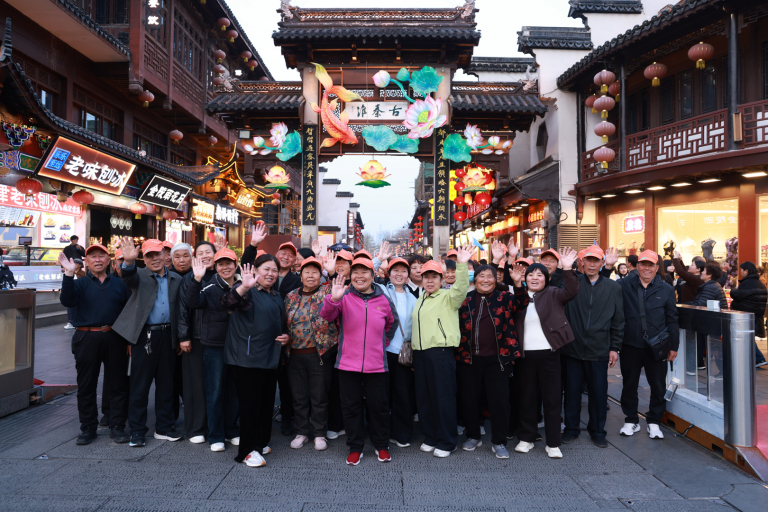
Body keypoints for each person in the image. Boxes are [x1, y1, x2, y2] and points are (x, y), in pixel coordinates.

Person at [320, 258, 399, 465]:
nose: (359, 276)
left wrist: (383, 341)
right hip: (347, 364)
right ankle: (355, 447)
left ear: (373, 276)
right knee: (351, 407)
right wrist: (334, 299)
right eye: (355, 272)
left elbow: (392, 322)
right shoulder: (343, 296)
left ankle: (381, 445)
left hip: (377, 365)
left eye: (365, 272)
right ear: (350, 276)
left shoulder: (383, 298)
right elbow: (326, 316)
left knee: (379, 407)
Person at [113, 237, 184, 447]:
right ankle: (137, 430)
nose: (155, 259)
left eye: (158, 254)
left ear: (165, 255)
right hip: (145, 336)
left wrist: (180, 338)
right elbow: (127, 277)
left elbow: (181, 312)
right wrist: (128, 262)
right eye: (149, 255)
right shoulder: (138, 275)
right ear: (144, 258)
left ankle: (164, 427)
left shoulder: (176, 279)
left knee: (166, 385)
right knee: (140, 386)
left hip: (168, 335)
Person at [58, 246, 131, 445]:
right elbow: (67, 300)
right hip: (86, 337)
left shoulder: (119, 284)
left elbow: (127, 313)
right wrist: (68, 274)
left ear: (109, 261)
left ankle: (117, 426)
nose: (97, 260)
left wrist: (129, 341)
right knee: (86, 385)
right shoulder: (80, 284)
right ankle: (88, 427)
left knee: (118, 384)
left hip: (115, 337)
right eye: (93, 257)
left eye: (102, 256)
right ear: (87, 261)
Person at [221, 255, 290, 467]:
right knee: (250, 406)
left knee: (265, 403)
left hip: (270, 358)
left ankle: (259, 442)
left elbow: (280, 323)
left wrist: (286, 336)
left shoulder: (276, 295)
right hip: (247, 359)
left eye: (274, 270)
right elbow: (227, 302)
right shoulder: (247, 291)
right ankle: (246, 451)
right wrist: (243, 287)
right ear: (255, 271)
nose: (270, 273)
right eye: (266, 269)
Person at [604, 248, 679, 439]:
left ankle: (654, 421)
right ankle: (631, 420)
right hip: (630, 344)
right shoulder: (623, 285)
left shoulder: (667, 289)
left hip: (657, 346)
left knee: (658, 385)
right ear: (637, 266)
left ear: (656, 267)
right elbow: (604, 288)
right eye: (643, 264)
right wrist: (609, 266)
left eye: (651, 265)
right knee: (629, 384)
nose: (646, 268)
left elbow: (672, 319)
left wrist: (674, 346)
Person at [456, 263, 528, 459]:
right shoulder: (466, 299)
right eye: (481, 276)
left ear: (496, 280)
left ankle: (499, 441)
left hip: (498, 360)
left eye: (490, 276)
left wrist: (518, 283)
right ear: (475, 280)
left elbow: (522, 303)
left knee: (499, 402)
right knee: (470, 400)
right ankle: (473, 435)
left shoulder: (504, 298)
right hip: (468, 359)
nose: (486, 280)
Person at [513, 248, 579, 459]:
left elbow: (571, 291)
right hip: (525, 357)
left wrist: (567, 268)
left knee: (551, 399)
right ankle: (527, 438)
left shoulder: (553, 294)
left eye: (539, 274)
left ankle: (553, 442)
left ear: (547, 279)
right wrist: (516, 283)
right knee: (527, 398)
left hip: (550, 355)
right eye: (530, 274)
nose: (534, 277)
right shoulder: (519, 296)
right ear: (525, 278)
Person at [411, 245, 472, 458]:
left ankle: (447, 441)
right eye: (426, 276)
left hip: (440, 354)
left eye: (434, 277)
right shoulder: (421, 298)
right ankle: (431, 436)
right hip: (421, 354)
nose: (429, 280)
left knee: (443, 398)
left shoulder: (449, 297)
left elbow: (461, 287)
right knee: (425, 398)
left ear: (441, 279)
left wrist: (462, 265)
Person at [562, 246, 624, 448]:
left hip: (599, 349)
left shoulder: (613, 287)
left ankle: (598, 431)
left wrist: (614, 347)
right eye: (588, 260)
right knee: (572, 392)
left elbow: (618, 320)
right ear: (581, 262)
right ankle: (571, 429)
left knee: (598, 393)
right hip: (572, 348)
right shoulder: (573, 284)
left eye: (596, 260)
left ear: (602, 263)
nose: (591, 264)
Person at [186, 248, 241, 452]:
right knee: (215, 392)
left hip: (238, 347)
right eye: (220, 264)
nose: (225, 267)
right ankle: (216, 435)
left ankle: (232, 430)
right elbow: (191, 302)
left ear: (236, 265)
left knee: (234, 392)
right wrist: (196, 280)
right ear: (216, 267)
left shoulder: (245, 285)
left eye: (229, 263)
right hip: (215, 347)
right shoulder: (209, 287)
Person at [284, 256, 339, 451]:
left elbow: (340, 287)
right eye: (306, 272)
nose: (310, 275)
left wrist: (332, 272)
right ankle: (301, 432)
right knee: (299, 396)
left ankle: (319, 434)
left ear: (320, 276)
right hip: (294, 354)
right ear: (300, 275)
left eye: (315, 272)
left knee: (319, 396)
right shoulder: (290, 296)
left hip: (319, 354)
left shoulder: (327, 291)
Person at [177, 241, 216, 443]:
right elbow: (183, 309)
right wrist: (184, 336)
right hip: (196, 338)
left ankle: (215, 427)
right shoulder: (190, 278)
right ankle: (196, 429)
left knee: (216, 385)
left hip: (219, 339)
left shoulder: (222, 276)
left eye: (208, 252)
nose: (204, 255)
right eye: (200, 253)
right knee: (195, 384)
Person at [380, 257, 417, 448]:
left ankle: (402, 433)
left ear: (408, 275)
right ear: (389, 273)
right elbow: (368, 276)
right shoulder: (382, 291)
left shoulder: (414, 297)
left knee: (402, 395)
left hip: (403, 354)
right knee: (381, 395)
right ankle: (381, 434)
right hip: (381, 352)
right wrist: (378, 260)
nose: (399, 274)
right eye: (395, 271)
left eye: (403, 271)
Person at [729, 262, 767, 367]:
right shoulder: (760, 283)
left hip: (746, 315)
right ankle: (756, 359)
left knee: (746, 337)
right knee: (747, 337)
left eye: (741, 270)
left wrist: (733, 292)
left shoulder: (747, 283)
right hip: (756, 315)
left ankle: (758, 358)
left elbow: (738, 295)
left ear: (746, 271)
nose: (740, 272)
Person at [64, 259, 86, 330]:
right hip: (72, 291)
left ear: (80, 265)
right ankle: (70, 321)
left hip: (80, 293)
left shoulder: (82, 273)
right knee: (70, 307)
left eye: (76, 263)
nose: (74, 264)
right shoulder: (70, 271)